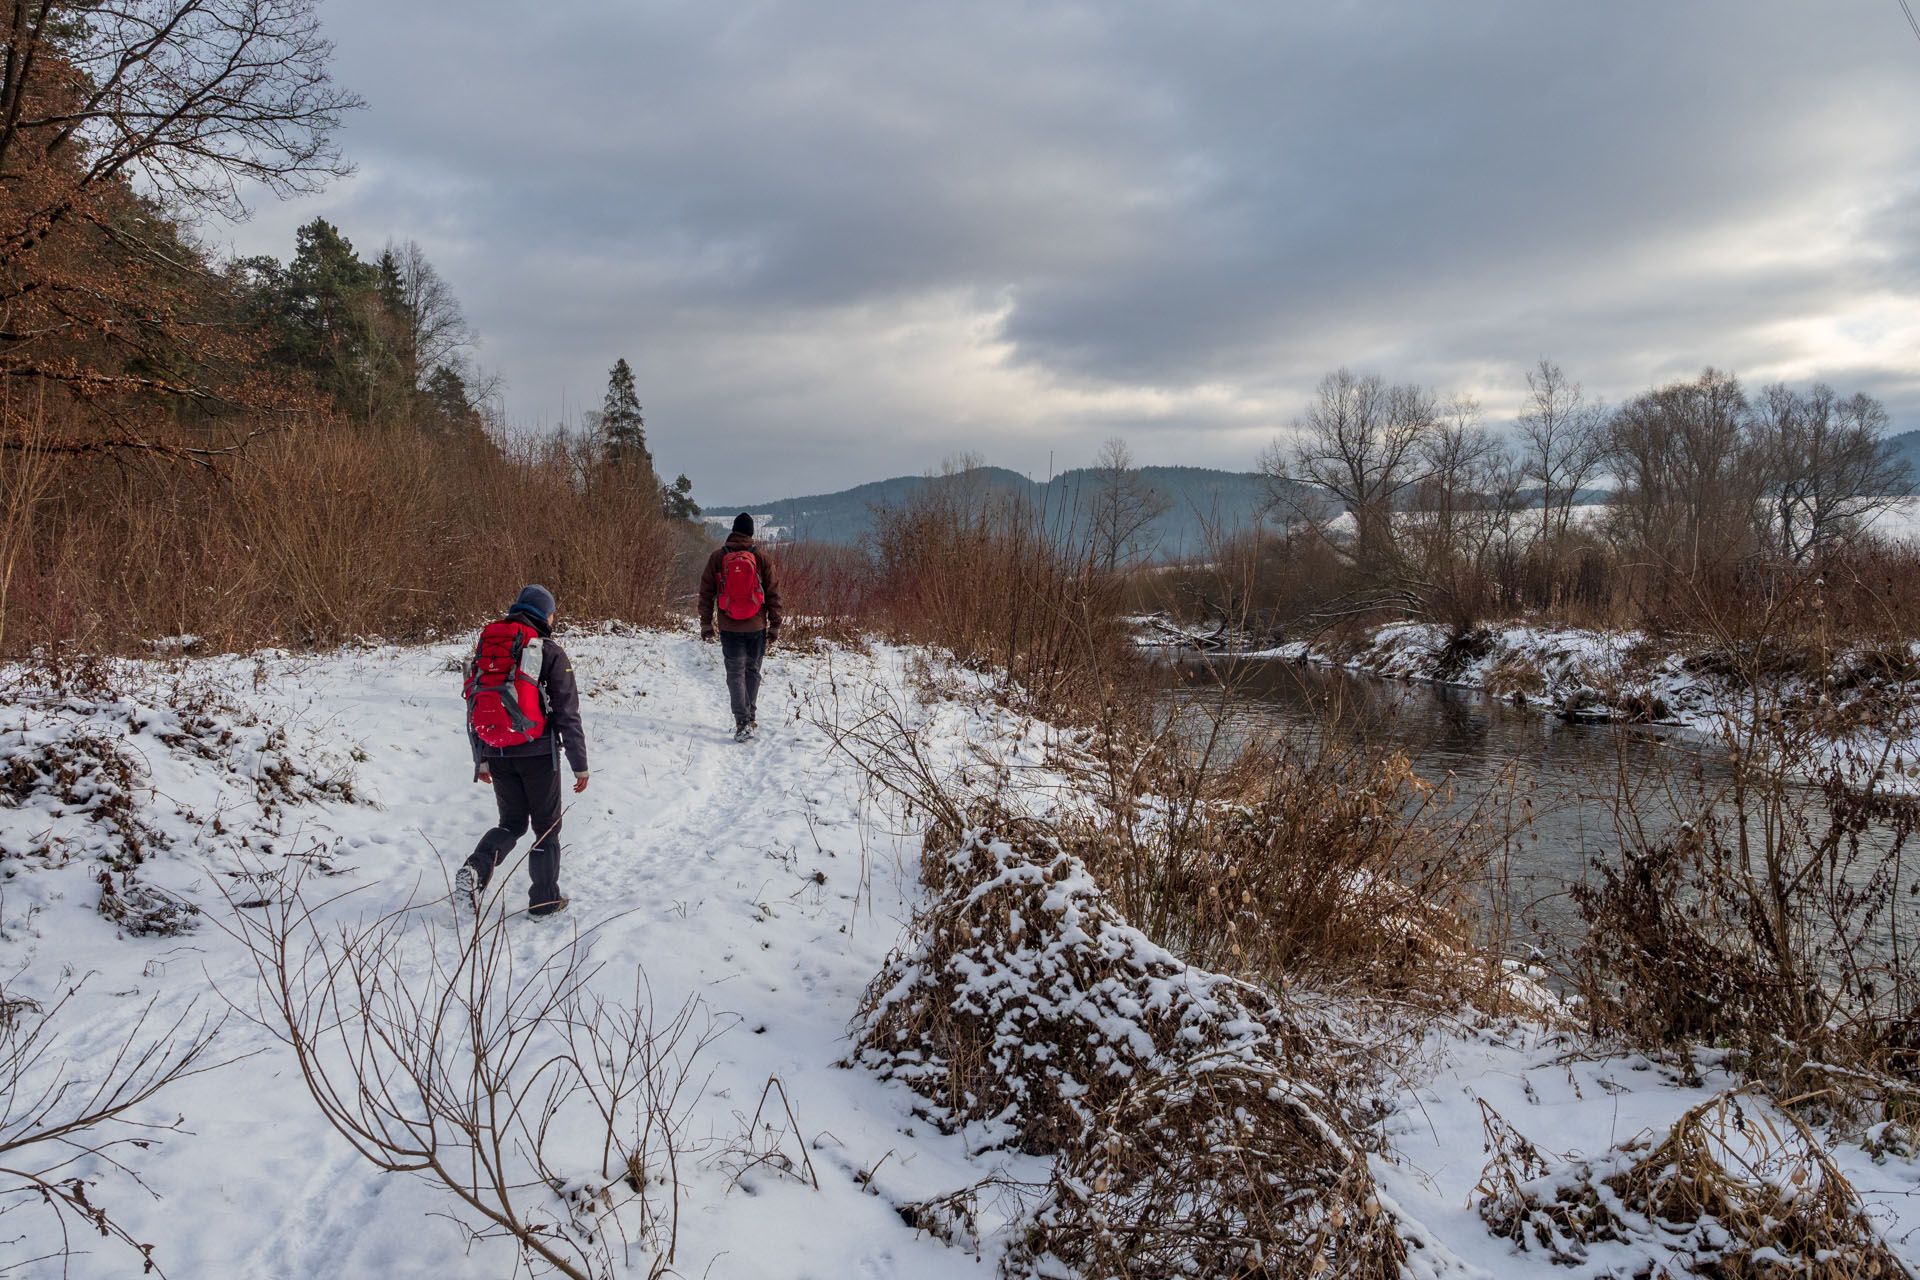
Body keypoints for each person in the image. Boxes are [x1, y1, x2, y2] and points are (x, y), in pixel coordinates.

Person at [458, 584, 589, 917]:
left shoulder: (492, 646)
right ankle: (545, 901)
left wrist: (482, 759)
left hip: (498, 749)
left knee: (511, 823)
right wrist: (580, 764)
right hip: (538, 754)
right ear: (545, 613)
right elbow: (566, 712)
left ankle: (476, 869)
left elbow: (477, 702)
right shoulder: (548, 651)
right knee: (546, 828)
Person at [698, 512, 781, 741]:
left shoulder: (717, 557)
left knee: (735, 673)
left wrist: (706, 624)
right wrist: (775, 624)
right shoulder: (762, 557)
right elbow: (773, 593)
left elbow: (706, 593)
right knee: (752, 671)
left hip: (729, 627)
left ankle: (741, 720)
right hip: (756, 626)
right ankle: (750, 716)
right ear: (751, 534)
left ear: (732, 531)